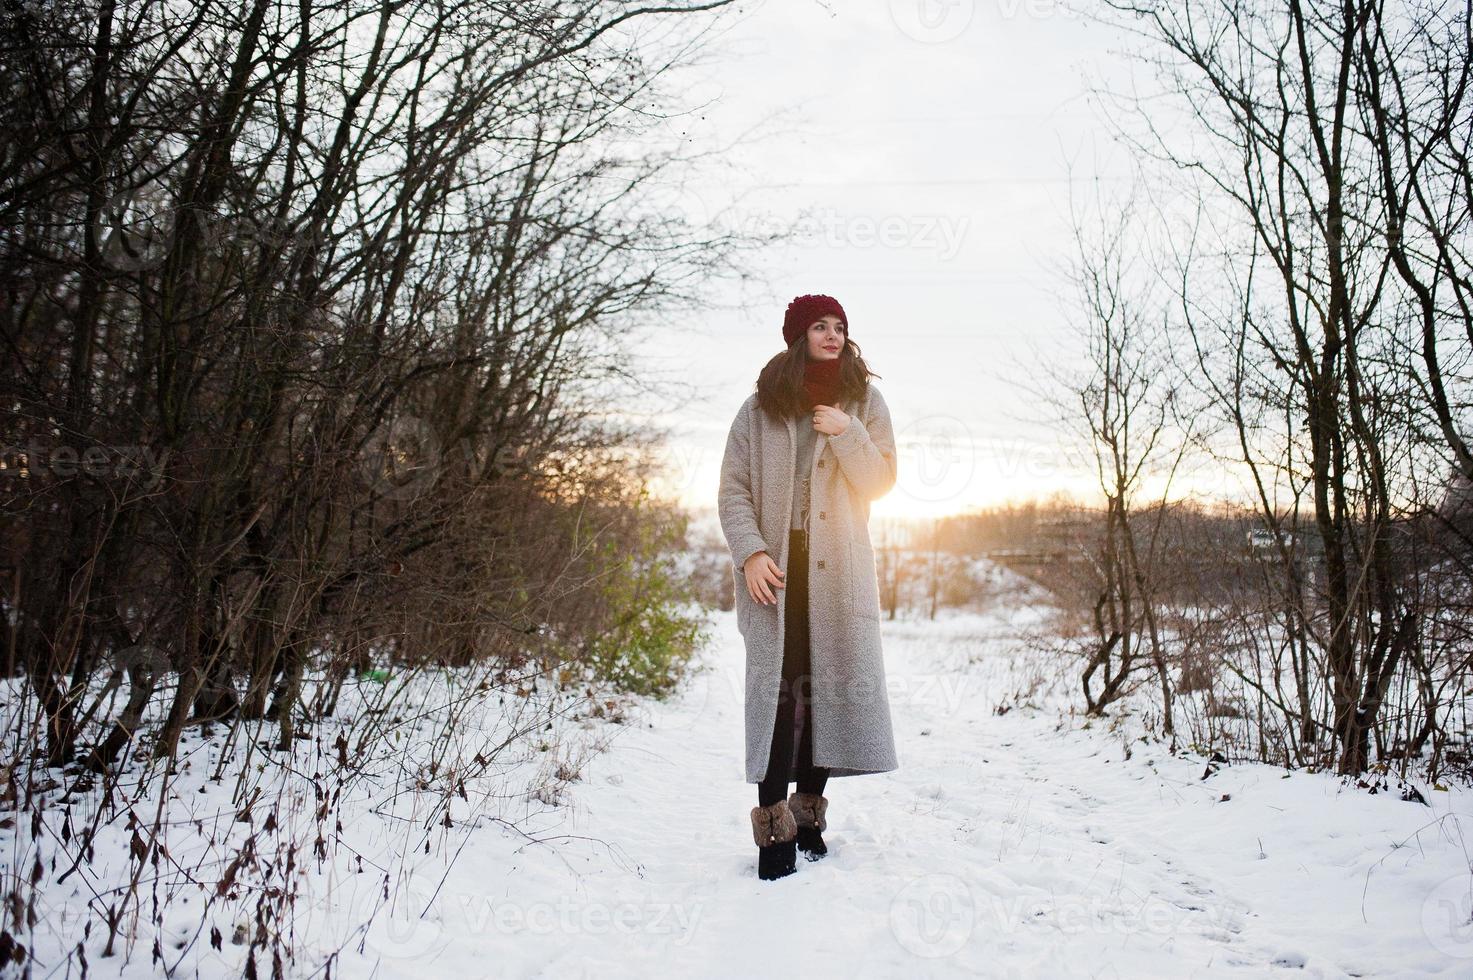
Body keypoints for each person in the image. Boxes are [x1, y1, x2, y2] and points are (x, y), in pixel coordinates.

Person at [717, 293, 900, 881]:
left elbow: (880, 482)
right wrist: (750, 553)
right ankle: (773, 825)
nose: (832, 335)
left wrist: (847, 431)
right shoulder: (759, 408)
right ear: (798, 335)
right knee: (779, 696)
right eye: (820, 326)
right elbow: (733, 490)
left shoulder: (865, 401)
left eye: (840, 326)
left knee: (824, 690)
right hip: (775, 572)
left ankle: (810, 814)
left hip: (838, 571)